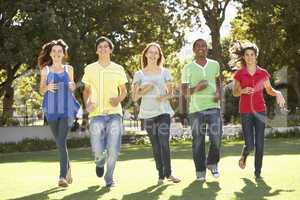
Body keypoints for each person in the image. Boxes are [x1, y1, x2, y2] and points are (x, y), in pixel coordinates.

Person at [232, 42, 285, 179]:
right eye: (247, 55)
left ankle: (257, 173)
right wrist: (242, 90)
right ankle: (245, 154)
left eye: (252, 55)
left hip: (260, 111)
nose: (249, 57)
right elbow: (234, 93)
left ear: (256, 56)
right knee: (250, 145)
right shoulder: (240, 74)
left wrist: (278, 93)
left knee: (260, 144)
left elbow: (269, 90)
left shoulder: (263, 73)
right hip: (245, 111)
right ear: (243, 57)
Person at [132, 42, 181, 185]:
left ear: (159, 56)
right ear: (145, 54)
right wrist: (145, 90)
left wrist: (163, 97)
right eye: (150, 52)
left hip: (163, 111)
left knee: (164, 142)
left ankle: (169, 173)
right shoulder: (138, 74)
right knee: (155, 145)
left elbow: (171, 92)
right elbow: (135, 97)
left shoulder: (165, 72)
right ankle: (161, 175)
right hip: (147, 114)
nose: (153, 55)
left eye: (156, 53)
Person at [82, 36, 128, 187]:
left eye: (106, 46)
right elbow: (86, 91)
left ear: (110, 50)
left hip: (115, 113)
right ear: (97, 50)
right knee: (97, 148)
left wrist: (118, 99)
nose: (103, 49)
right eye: (100, 47)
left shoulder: (118, 69)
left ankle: (109, 178)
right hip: (96, 115)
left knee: (113, 149)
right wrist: (87, 104)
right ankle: (99, 162)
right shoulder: (89, 69)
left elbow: (124, 91)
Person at [38, 39, 79, 187]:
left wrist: (73, 86)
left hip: (67, 109)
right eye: (54, 51)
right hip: (51, 110)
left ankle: (62, 177)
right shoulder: (45, 70)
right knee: (60, 143)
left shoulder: (69, 69)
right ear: (50, 53)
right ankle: (68, 170)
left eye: (59, 51)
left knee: (61, 141)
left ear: (63, 54)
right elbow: (41, 90)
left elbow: (73, 87)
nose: (56, 53)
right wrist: (47, 87)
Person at [181, 38, 222, 181]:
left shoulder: (215, 64)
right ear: (193, 50)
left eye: (204, 46)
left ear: (207, 49)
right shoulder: (187, 68)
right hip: (196, 110)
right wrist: (198, 87)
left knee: (216, 138)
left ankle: (212, 163)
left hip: (213, 107)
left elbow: (218, 80)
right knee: (198, 141)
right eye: (198, 46)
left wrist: (218, 92)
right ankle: (200, 171)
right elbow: (185, 91)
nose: (201, 48)